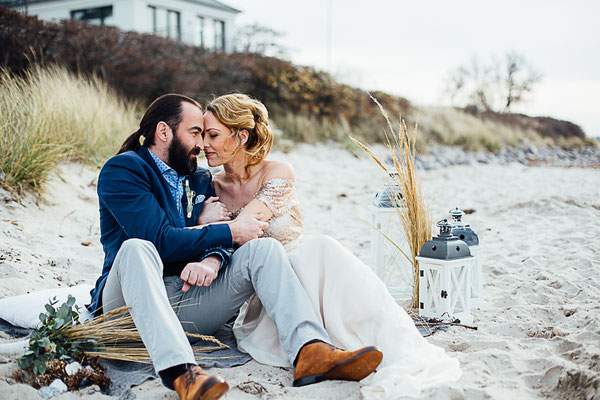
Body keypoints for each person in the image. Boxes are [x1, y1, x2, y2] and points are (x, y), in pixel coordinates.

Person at [89, 93, 383, 400]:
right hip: (127, 307)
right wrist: (219, 229)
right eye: (195, 133)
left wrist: (212, 255)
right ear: (164, 132)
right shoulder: (124, 170)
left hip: (186, 297)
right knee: (138, 247)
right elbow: (159, 240)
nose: (202, 145)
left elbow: (220, 241)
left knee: (264, 249)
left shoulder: (199, 179)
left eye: (206, 135)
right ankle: (182, 372)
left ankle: (311, 352)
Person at [201, 93, 463, 398]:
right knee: (311, 253)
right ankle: (316, 349)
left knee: (319, 249)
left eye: (213, 134)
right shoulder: (208, 185)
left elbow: (248, 225)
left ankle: (353, 341)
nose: (203, 143)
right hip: (262, 287)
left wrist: (216, 224)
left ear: (241, 135)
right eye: (203, 134)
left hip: (309, 268)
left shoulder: (277, 172)